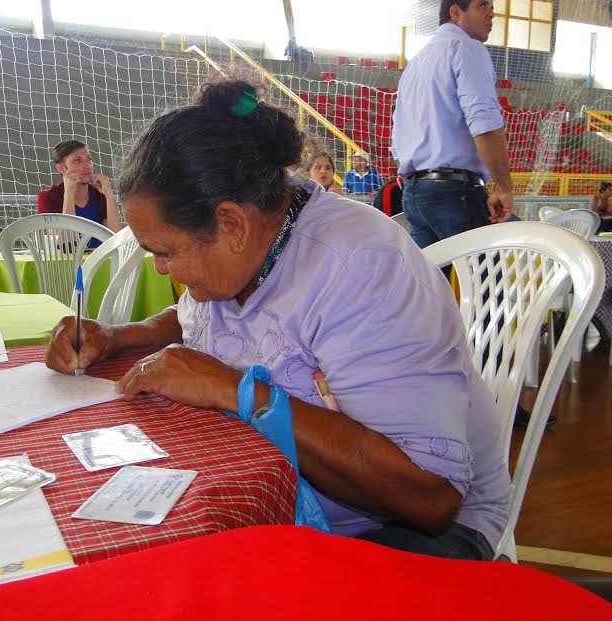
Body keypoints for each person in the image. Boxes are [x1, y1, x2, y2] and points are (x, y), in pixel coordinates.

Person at [45, 78, 510, 561]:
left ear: (231, 225)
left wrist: (234, 389)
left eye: (166, 253)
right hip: (285, 502)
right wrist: (118, 336)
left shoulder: (360, 266)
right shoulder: (249, 246)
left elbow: (430, 498)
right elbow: (193, 321)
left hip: (406, 533)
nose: (161, 269)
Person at [391, 0, 513, 249]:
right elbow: (484, 123)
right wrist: (503, 187)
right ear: (456, 12)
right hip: (454, 192)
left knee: (430, 284)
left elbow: (398, 135)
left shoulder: (415, 64)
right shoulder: (467, 48)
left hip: (415, 193)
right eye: (482, 5)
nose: (492, 12)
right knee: (486, 283)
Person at [37, 139, 123, 232]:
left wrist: (109, 196)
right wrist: (69, 194)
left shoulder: (99, 195)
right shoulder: (48, 197)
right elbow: (66, 243)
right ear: (61, 168)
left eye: (89, 159)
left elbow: (115, 237)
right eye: (77, 160)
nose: (88, 166)